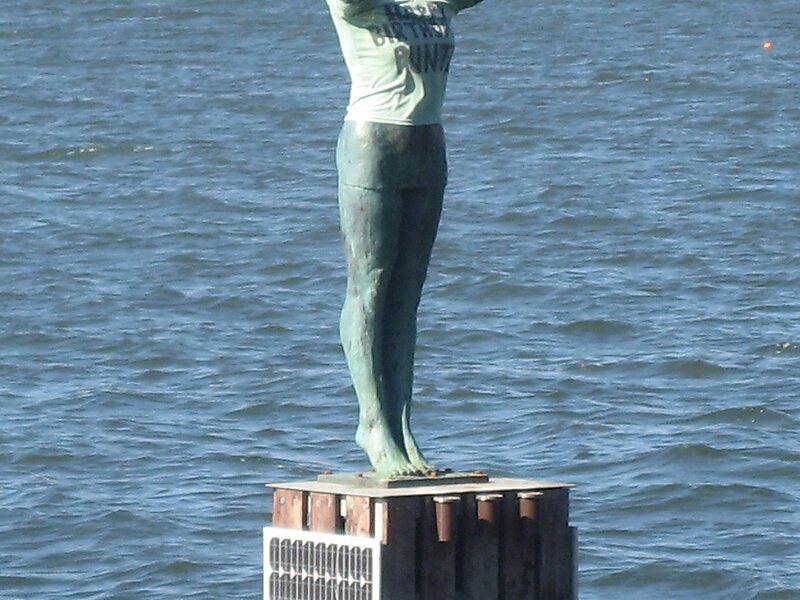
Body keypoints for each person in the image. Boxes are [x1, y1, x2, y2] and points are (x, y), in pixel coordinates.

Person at [326, 0, 483, 477]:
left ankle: (401, 425)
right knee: (371, 286)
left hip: (427, 147)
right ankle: (373, 424)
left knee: (407, 293)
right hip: (372, 147)